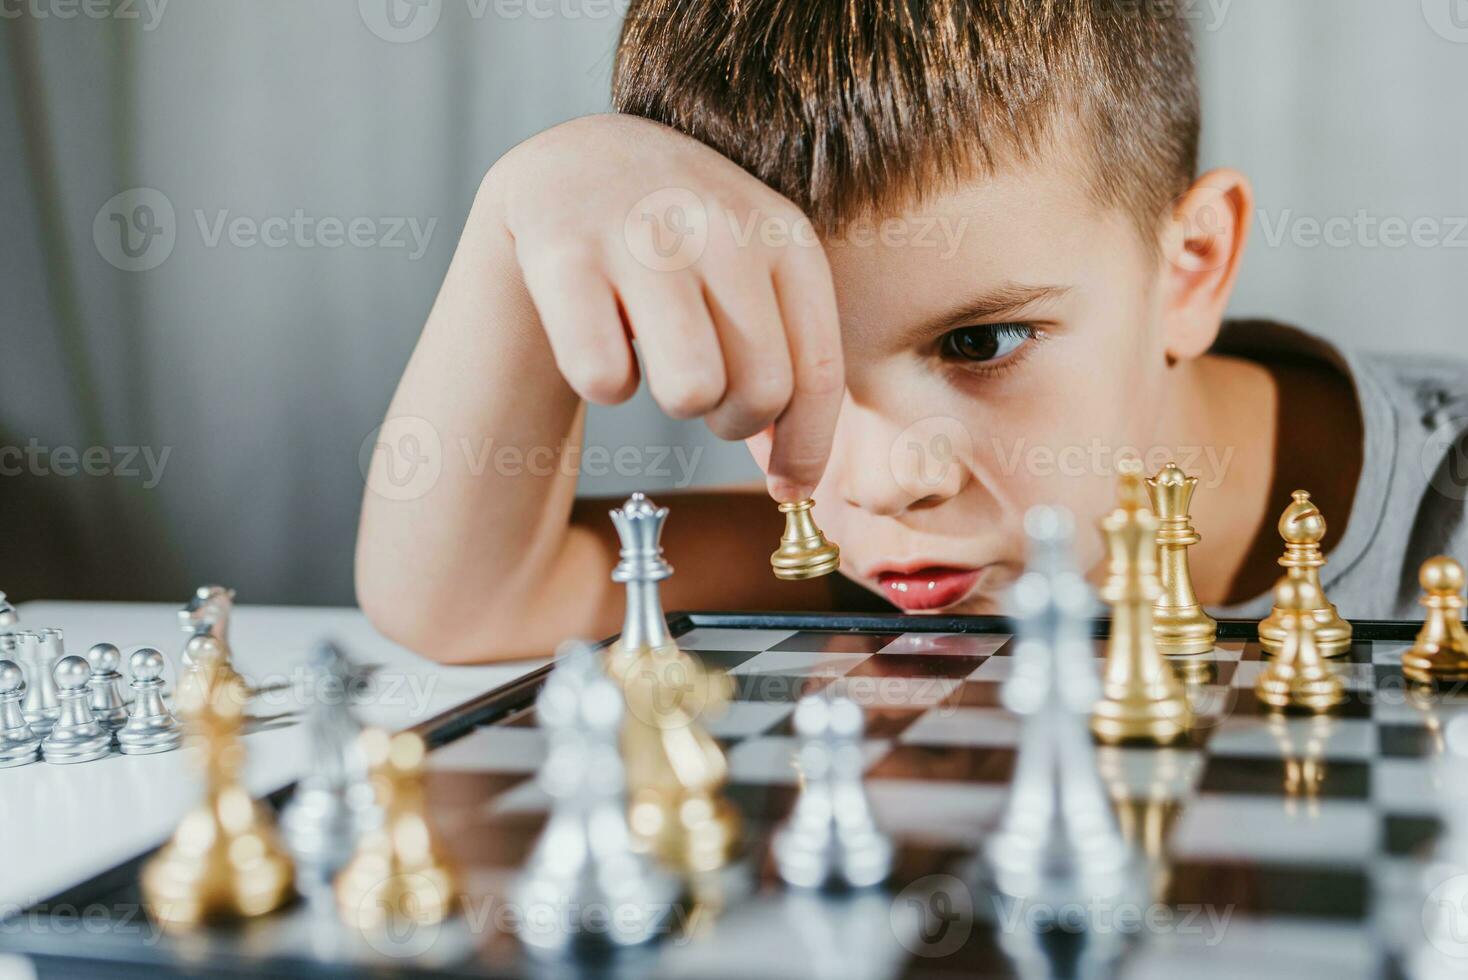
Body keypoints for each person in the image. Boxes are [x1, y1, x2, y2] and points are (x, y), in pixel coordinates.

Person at [356, 0, 1468, 662]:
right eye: (797, 364)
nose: (883, 481)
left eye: (980, 344)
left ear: (1188, 267)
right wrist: (519, 206)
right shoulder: (911, 555)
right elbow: (464, 598)